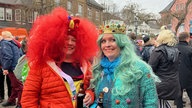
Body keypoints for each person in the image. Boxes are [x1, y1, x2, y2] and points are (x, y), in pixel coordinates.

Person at [21, 7, 98, 108]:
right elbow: (28, 99)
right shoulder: (41, 65)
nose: (70, 43)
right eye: (65, 39)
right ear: (56, 40)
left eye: (74, 40)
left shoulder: (85, 65)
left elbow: (90, 88)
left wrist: (90, 95)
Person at [88, 22, 160, 108]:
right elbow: (96, 96)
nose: (107, 45)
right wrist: (90, 96)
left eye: (113, 40)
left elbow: (151, 103)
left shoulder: (140, 68)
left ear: (122, 43)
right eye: (103, 41)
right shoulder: (98, 67)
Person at [148, 30, 181, 108]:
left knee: (159, 104)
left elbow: (149, 68)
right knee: (163, 104)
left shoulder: (158, 52)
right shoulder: (176, 51)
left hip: (160, 85)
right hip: (173, 83)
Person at [0, 31, 23, 108]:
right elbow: (20, 55)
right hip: (16, 66)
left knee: (18, 86)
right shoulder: (15, 43)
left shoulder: (5, 43)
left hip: (11, 68)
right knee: (14, 85)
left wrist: (5, 68)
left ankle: (20, 103)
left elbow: (7, 56)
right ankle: (12, 100)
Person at [176, 32, 192, 108]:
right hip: (188, 76)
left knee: (178, 97)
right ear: (187, 38)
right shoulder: (190, 49)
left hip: (175, 75)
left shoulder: (173, 49)